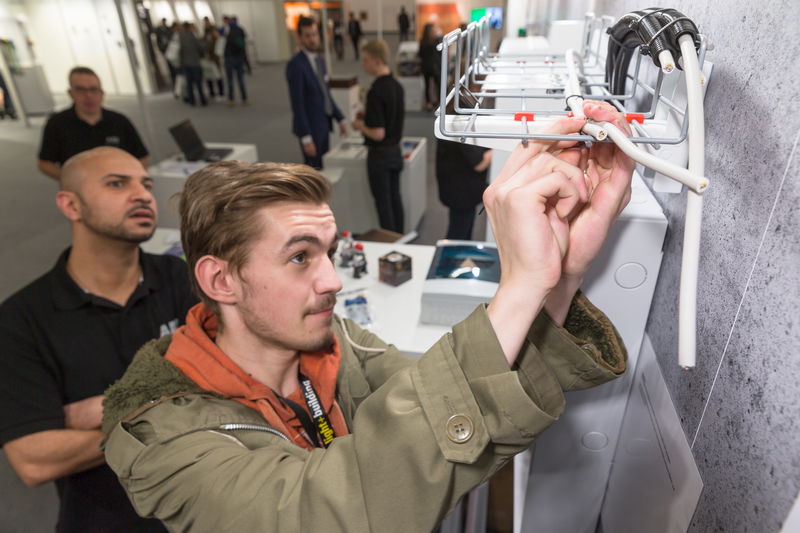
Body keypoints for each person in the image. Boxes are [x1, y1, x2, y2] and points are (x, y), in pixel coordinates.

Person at [100, 101, 633, 532]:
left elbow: (464, 428)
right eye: (299, 256)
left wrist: (557, 276)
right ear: (221, 281)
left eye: (329, 252)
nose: (332, 280)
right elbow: (325, 512)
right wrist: (519, 284)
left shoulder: (336, 343)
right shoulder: (165, 438)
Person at [0, 147, 198, 532]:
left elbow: (233, 375)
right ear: (71, 205)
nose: (142, 195)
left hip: (202, 498)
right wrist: (178, 403)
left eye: (146, 184)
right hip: (109, 518)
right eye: (116, 184)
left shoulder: (177, 277)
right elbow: (35, 460)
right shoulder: (19, 322)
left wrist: (101, 410)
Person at [38, 67, 149, 180]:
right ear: (71, 93)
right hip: (79, 190)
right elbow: (45, 163)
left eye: (93, 89)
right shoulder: (57, 124)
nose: (89, 96)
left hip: (120, 187)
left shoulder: (119, 121)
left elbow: (142, 157)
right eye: (81, 90)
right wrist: (71, 180)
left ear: (102, 93)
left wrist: (130, 181)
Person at [352, 40, 406, 233]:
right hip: (395, 152)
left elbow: (377, 133)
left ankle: (389, 241)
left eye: (365, 60)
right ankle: (400, 237)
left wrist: (359, 126)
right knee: (395, 198)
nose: (363, 64)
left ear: (376, 61)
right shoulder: (397, 86)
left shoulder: (376, 91)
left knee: (383, 203)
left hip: (380, 156)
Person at [286, 16, 347, 169]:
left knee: (323, 165)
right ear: (299, 37)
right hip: (310, 127)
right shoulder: (296, 65)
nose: (312, 39)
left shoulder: (320, 60)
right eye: (307, 35)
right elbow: (297, 105)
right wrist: (306, 138)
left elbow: (325, 94)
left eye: (314, 34)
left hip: (324, 124)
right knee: (313, 170)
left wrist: (340, 118)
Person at [436, 139, 492, 239]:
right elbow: (479, 164)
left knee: (463, 231)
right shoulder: (462, 128)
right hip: (462, 191)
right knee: (458, 236)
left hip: (459, 186)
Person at [178, 22, 207, 107]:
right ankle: (202, 100)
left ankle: (192, 101)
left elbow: (179, 51)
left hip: (185, 63)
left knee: (189, 84)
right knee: (198, 83)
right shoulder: (192, 36)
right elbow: (201, 47)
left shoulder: (180, 37)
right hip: (195, 63)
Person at [223, 15, 249, 106]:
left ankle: (231, 100)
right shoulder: (240, 30)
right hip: (238, 57)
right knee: (240, 79)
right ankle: (244, 99)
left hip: (229, 58)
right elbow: (243, 44)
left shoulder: (226, 31)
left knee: (230, 80)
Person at [418, 23, 442, 111]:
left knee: (427, 86)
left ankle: (428, 103)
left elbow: (420, 54)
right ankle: (439, 102)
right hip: (436, 67)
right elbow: (440, 54)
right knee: (438, 85)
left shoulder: (423, 41)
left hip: (426, 67)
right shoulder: (437, 40)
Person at [202, 17, 225, 100]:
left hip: (215, 58)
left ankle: (221, 92)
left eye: (206, 22)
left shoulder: (214, 31)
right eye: (204, 23)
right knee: (209, 75)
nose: (206, 24)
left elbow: (219, 42)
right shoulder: (205, 32)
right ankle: (212, 92)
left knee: (218, 75)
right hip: (208, 58)